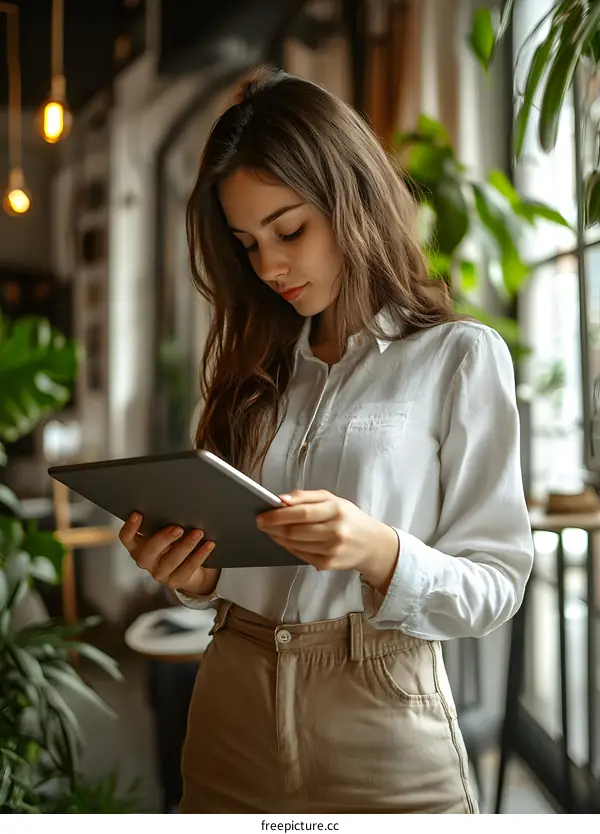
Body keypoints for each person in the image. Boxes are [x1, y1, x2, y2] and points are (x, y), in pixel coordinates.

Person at [119, 67, 534, 814]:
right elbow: (223, 563)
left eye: (290, 230)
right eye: (247, 244)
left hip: (383, 718)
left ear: (353, 199)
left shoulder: (459, 358)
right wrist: (188, 572)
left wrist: (379, 550)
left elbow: (497, 586)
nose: (269, 265)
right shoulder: (253, 371)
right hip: (229, 709)